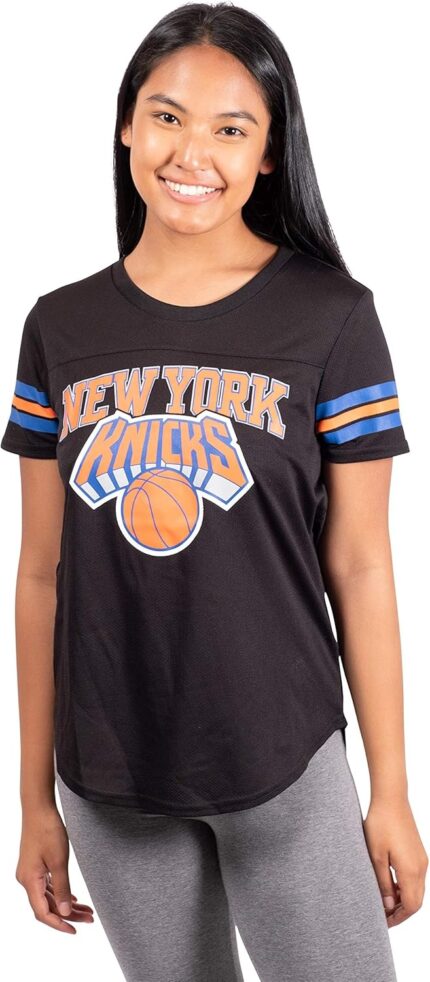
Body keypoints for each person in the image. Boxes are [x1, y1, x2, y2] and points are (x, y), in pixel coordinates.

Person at [2, 4, 427, 981]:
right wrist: (32, 800)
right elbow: (39, 576)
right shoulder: (59, 328)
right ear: (126, 125)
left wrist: (392, 790)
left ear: (270, 153)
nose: (191, 152)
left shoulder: (332, 318)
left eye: (230, 128)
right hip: (112, 773)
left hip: (283, 761)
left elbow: (362, 565)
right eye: (167, 116)